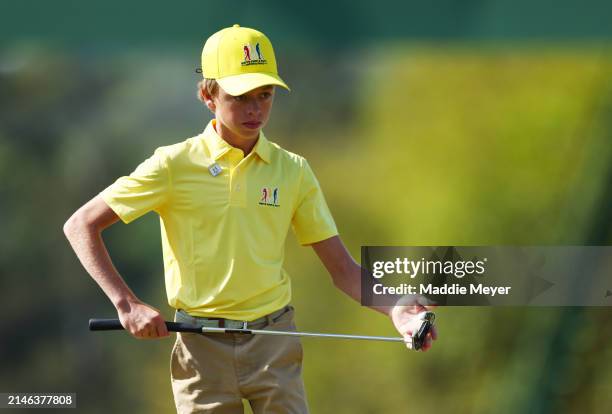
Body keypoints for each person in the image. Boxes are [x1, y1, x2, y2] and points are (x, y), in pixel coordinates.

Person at [63, 24, 437, 414]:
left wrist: (397, 309)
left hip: (273, 341)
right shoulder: (173, 164)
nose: (255, 109)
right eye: (240, 97)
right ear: (209, 95)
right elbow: (81, 225)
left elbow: (343, 269)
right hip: (199, 347)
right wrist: (127, 305)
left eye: (265, 95)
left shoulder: (293, 170)